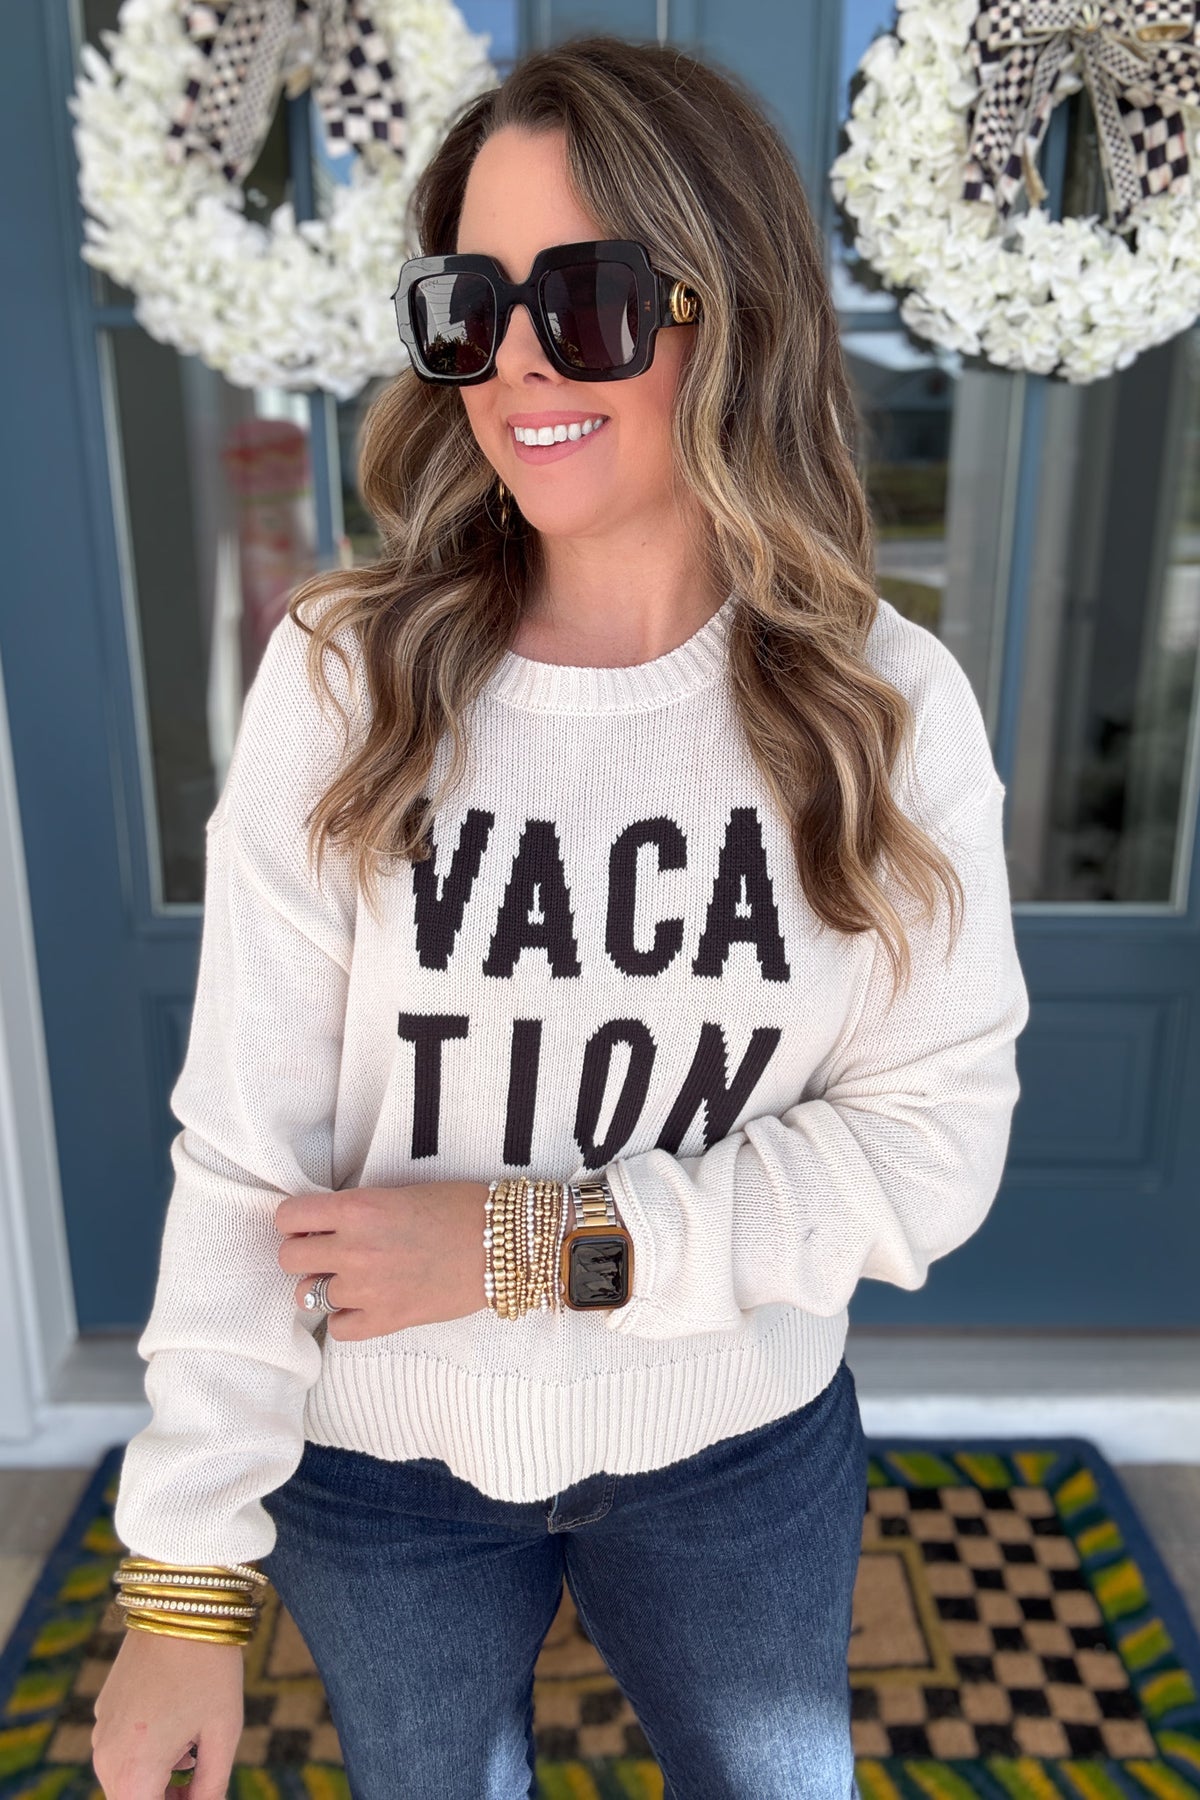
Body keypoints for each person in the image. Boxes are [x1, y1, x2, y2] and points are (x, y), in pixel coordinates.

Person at [89, 31, 1030, 1800]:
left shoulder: (886, 706)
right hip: (377, 1473)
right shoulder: (344, 680)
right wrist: (184, 1583)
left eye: (585, 302)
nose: (517, 359)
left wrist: (532, 1247)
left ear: (726, 313)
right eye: (470, 307)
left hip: (734, 1440)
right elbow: (243, 1152)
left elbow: (933, 1150)